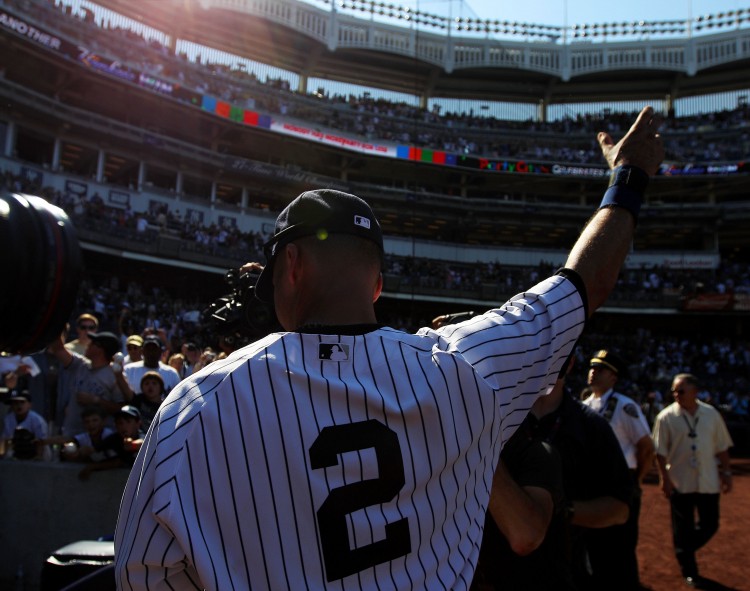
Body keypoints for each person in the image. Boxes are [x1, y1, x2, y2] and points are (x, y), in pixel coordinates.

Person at [115, 106, 664, 589]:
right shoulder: (462, 367)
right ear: (378, 285)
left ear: (293, 266)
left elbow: (146, 575)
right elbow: (584, 284)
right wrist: (628, 178)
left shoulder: (192, 408)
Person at [474, 358, 633, 591]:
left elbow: (620, 509)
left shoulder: (592, 427)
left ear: (570, 362)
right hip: (487, 574)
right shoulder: (493, 416)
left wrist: (565, 512)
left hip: (560, 572)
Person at [581, 349, 655, 589]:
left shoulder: (625, 406)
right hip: (590, 484)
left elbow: (646, 447)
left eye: (601, 369)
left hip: (619, 483)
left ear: (614, 377)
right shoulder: (583, 405)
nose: (594, 372)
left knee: (621, 546)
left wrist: (636, 481)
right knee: (590, 542)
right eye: (593, 367)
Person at [652, 373, 734, 588]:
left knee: (710, 525)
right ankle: (689, 570)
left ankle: (684, 550)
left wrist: (727, 473)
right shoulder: (666, 417)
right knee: (682, 527)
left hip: (707, 480)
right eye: (673, 391)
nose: (675, 395)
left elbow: (722, 447)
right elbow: (659, 452)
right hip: (680, 481)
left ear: (695, 391)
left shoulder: (711, 414)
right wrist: (664, 479)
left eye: (680, 390)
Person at [49, 330, 127, 436]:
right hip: (72, 434)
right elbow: (58, 349)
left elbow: (121, 409)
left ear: (100, 350)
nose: (88, 345)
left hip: (99, 440)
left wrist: (95, 400)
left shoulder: (115, 375)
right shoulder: (80, 365)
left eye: (93, 343)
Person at [78, 405, 145, 480]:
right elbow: (96, 451)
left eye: (128, 421)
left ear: (138, 423)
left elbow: (144, 442)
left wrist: (133, 445)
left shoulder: (146, 437)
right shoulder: (112, 439)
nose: (123, 426)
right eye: (120, 423)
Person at [1, 390, 49, 460]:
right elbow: (6, 440)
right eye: (15, 402)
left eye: (22, 402)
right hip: (17, 454)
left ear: (29, 405)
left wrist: (38, 458)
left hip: (38, 454)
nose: (18, 405)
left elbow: (41, 442)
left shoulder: (37, 420)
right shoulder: (8, 419)